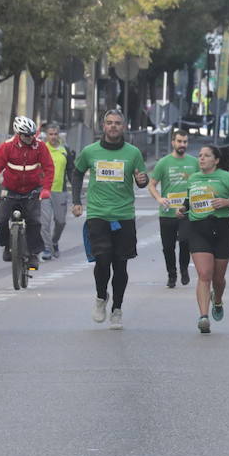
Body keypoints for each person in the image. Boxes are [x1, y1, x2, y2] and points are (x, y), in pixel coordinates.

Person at [71, 109, 150, 329]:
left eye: (117, 123)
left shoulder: (133, 153)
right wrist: (76, 200)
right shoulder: (90, 151)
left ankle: (117, 309)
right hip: (98, 214)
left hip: (123, 214)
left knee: (120, 264)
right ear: (103, 126)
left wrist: (143, 179)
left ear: (123, 127)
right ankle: (100, 297)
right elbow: (77, 173)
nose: (113, 126)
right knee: (102, 259)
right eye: (109, 123)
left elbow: (142, 180)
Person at [181, 144, 229, 333]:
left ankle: (217, 300)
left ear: (216, 160)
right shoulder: (193, 179)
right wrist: (182, 209)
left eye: (206, 155)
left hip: (222, 230)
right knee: (204, 274)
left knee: (218, 278)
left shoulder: (228, 178)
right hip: (198, 229)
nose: (201, 158)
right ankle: (203, 317)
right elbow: (189, 201)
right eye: (200, 155)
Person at [0, 116, 54, 272]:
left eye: (32, 135)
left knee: (34, 221)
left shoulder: (40, 147)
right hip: (10, 189)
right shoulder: (6, 147)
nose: (30, 138)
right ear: (18, 134)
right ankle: (7, 246)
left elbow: (49, 168)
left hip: (32, 189)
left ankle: (33, 255)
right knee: (2, 221)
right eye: (26, 136)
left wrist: (46, 189)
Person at [148, 128, 197, 288]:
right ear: (173, 142)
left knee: (185, 243)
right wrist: (159, 198)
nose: (182, 144)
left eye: (185, 141)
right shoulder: (164, 163)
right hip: (167, 212)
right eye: (179, 141)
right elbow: (152, 185)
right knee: (168, 247)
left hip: (186, 212)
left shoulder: (193, 162)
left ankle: (184, 269)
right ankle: (171, 274)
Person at [40, 123, 76, 260]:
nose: (53, 137)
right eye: (50, 134)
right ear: (46, 135)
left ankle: (54, 242)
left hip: (60, 191)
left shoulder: (64, 149)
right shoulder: (42, 149)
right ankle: (47, 249)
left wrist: (75, 190)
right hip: (45, 192)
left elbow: (70, 170)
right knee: (45, 222)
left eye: (55, 134)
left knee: (60, 222)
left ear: (59, 134)